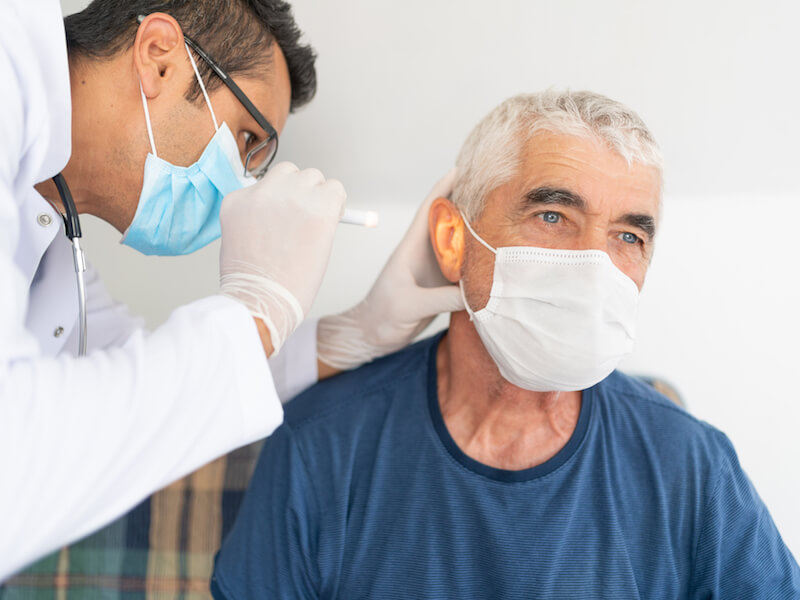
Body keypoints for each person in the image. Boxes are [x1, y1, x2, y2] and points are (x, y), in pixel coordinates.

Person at [211, 91, 800, 599]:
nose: (595, 263)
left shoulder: (689, 464)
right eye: (551, 216)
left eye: (628, 235)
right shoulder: (324, 447)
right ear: (452, 239)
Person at [0, 0, 461, 580]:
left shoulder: (45, 226)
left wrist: (351, 334)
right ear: (160, 58)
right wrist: (254, 310)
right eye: (247, 140)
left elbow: (141, 380)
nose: (239, 183)